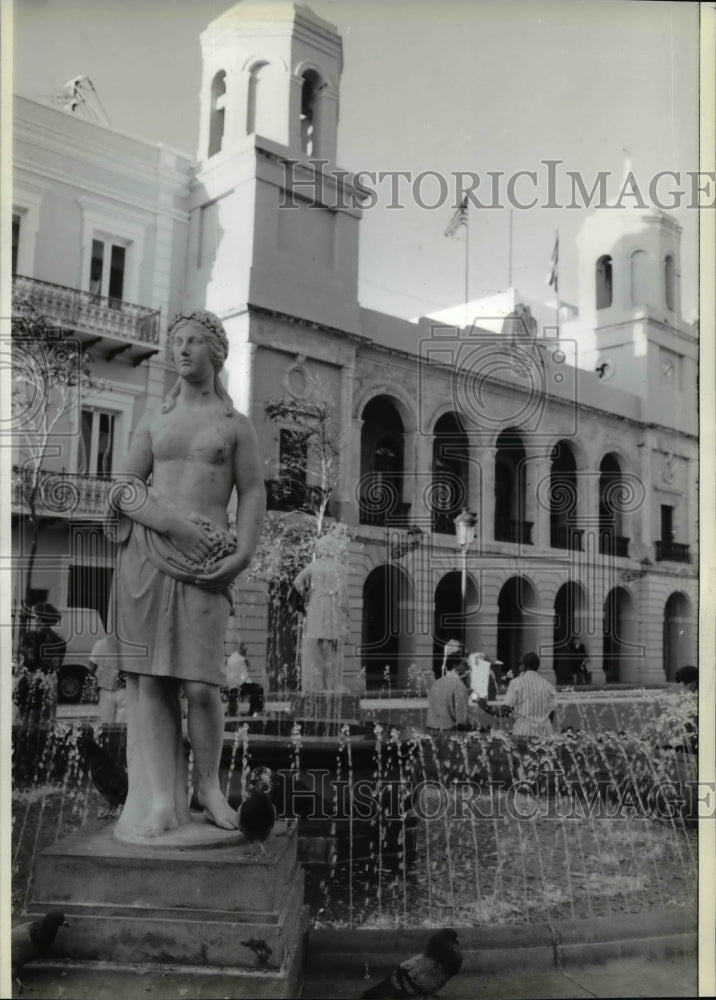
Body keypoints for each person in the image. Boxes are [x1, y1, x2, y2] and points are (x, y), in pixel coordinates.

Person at [107, 309, 265, 841]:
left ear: (216, 352)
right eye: (177, 342)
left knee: (202, 686)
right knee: (151, 682)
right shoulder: (154, 421)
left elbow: (253, 492)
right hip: (149, 557)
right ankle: (156, 801)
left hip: (207, 567)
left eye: (195, 341)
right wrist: (175, 525)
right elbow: (124, 487)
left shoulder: (235, 426)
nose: (183, 350)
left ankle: (210, 787)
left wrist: (242, 554)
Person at [293, 533, 349, 692]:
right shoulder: (340, 568)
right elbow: (344, 594)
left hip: (315, 604)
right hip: (332, 606)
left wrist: (306, 594)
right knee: (332, 646)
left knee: (314, 643)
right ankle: (332, 684)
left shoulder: (314, 565)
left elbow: (297, 581)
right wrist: (346, 617)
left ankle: (313, 685)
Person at [478, 651, 556, 740]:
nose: (518, 667)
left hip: (524, 733)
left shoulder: (516, 683)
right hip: (545, 735)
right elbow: (551, 714)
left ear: (524, 666)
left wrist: (486, 707)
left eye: (519, 664)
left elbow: (505, 711)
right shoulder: (549, 686)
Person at [16, 603, 65, 724]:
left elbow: (25, 662)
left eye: (36, 617)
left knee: (25, 724)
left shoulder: (30, 637)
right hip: (48, 685)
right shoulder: (59, 640)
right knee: (46, 725)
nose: (35, 619)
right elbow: (56, 666)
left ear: (40, 618)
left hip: (30, 683)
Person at [427, 650, 470, 731]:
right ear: (455, 666)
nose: (468, 667)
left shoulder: (436, 684)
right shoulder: (459, 686)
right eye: (465, 664)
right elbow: (462, 719)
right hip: (449, 733)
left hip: (431, 732)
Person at [89, 635, 126, 724]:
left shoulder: (100, 644)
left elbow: (92, 668)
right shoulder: (127, 644)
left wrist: (94, 685)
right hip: (124, 689)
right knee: (123, 725)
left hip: (106, 688)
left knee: (106, 723)